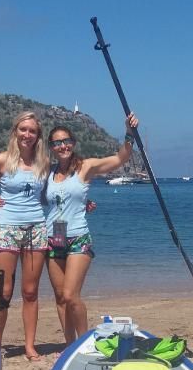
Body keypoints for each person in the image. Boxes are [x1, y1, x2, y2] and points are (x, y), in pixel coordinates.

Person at [44, 113, 138, 345]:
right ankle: (69, 345)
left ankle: (84, 341)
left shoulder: (85, 167)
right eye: (57, 142)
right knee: (59, 297)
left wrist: (129, 132)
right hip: (53, 237)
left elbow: (120, 158)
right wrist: (3, 202)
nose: (62, 145)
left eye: (66, 141)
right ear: (51, 148)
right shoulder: (48, 173)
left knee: (71, 296)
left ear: (73, 143)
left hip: (78, 237)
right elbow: (38, 199)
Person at [0, 111, 50, 361]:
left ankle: (29, 346)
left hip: (36, 230)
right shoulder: (2, 160)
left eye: (32, 131)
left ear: (38, 136)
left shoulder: (43, 163)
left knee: (30, 292)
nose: (27, 135)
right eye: (23, 129)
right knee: (4, 294)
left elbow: (49, 195)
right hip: (6, 230)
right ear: (15, 131)